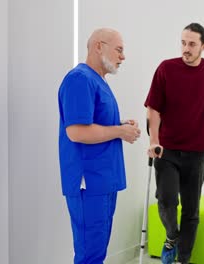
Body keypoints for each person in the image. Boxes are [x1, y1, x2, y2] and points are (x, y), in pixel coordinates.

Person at [144, 22, 204, 264]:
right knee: (166, 199)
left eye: (192, 44)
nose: (186, 48)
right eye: (183, 43)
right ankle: (171, 236)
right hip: (167, 150)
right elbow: (154, 108)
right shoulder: (166, 68)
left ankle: (184, 259)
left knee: (191, 210)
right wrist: (154, 141)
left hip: (195, 152)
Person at [58, 28, 141, 264]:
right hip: (90, 182)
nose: (123, 57)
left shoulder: (98, 81)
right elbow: (76, 131)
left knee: (97, 251)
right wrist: (120, 131)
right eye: (119, 49)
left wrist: (121, 124)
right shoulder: (79, 79)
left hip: (104, 181)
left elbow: (94, 123)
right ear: (98, 46)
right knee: (89, 254)